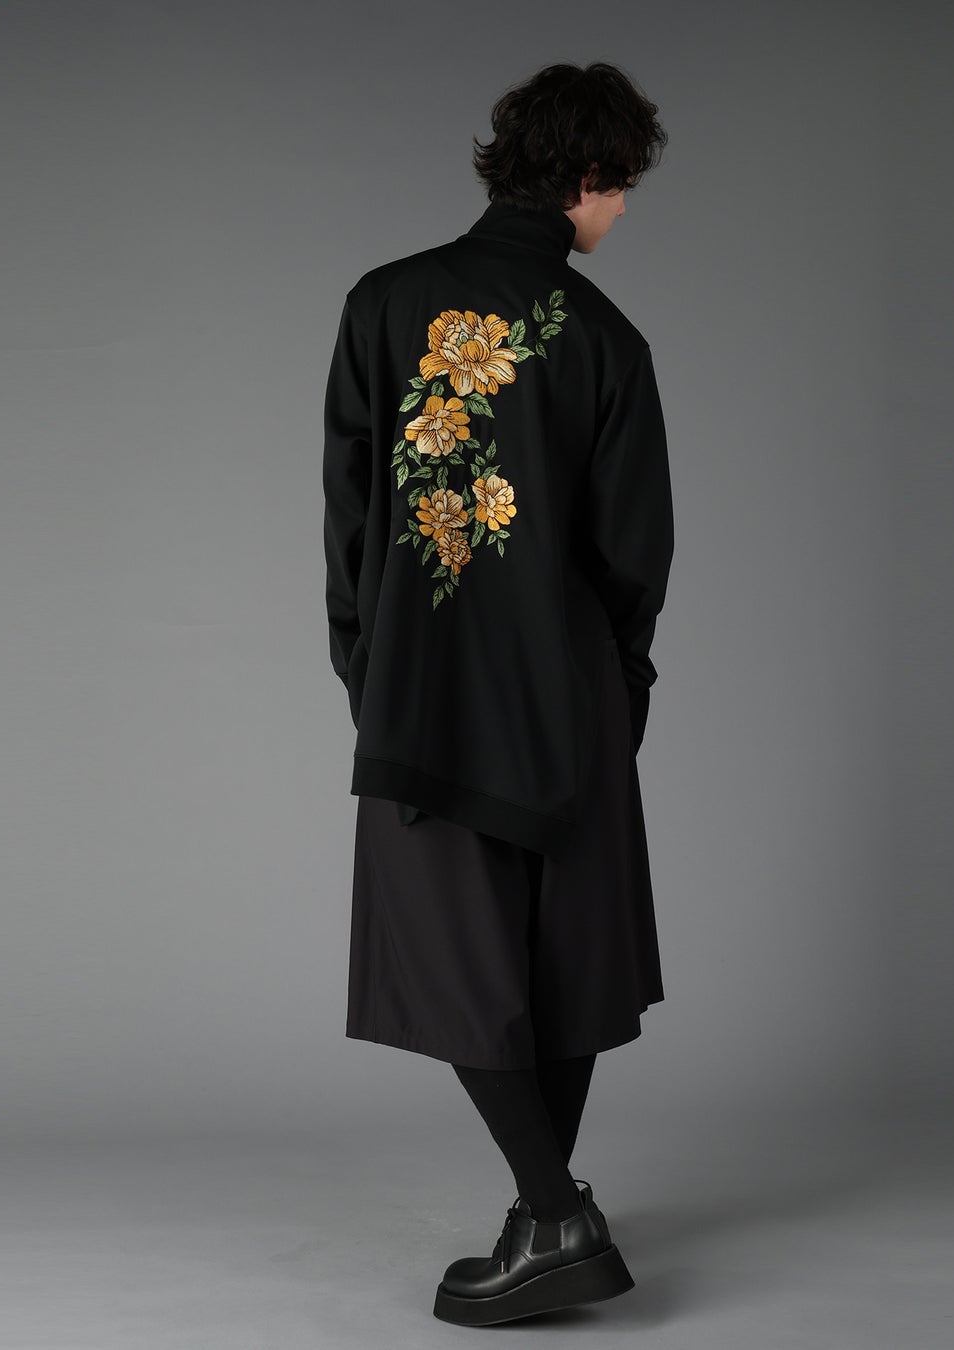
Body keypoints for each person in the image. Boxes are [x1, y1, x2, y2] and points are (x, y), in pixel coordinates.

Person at [322, 60, 673, 1325]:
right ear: (584, 176)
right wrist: (618, 690)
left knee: (456, 950)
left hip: (426, 689)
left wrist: (369, 667)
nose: (621, 211)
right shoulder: (607, 340)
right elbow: (634, 554)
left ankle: (549, 1220)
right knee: (560, 955)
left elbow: (349, 516)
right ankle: (550, 1215)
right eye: (620, 187)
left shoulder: (383, 303)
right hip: (567, 693)